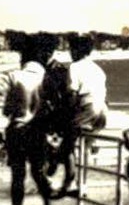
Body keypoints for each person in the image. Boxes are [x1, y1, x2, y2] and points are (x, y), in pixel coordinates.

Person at [2, 33, 59, 205]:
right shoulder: (47, 78)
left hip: (17, 130)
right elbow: (53, 106)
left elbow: (7, 109)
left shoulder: (15, 77)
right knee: (39, 173)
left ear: (24, 57)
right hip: (38, 131)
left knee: (18, 175)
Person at [45, 34, 108, 195]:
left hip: (87, 107)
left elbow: (71, 95)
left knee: (68, 144)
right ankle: (83, 185)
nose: (71, 52)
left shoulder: (75, 67)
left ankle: (64, 177)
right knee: (85, 148)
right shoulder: (98, 69)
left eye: (72, 49)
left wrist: (65, 114)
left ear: (77, 50)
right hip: (102, 110)